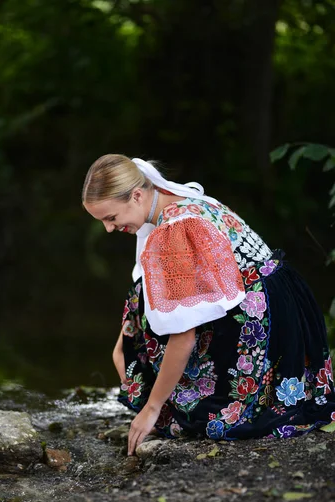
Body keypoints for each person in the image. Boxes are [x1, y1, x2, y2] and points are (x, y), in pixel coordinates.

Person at [82, 154, 335, 455]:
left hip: (263, 321)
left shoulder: (174, 229)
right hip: (281, 300)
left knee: (206, 419)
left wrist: (152, 407)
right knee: (142, 293)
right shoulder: (180, 200)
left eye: (110, 218)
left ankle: (175, 396)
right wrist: (122, 343)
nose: (109, 229)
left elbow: (184, 336)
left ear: (136, 195)